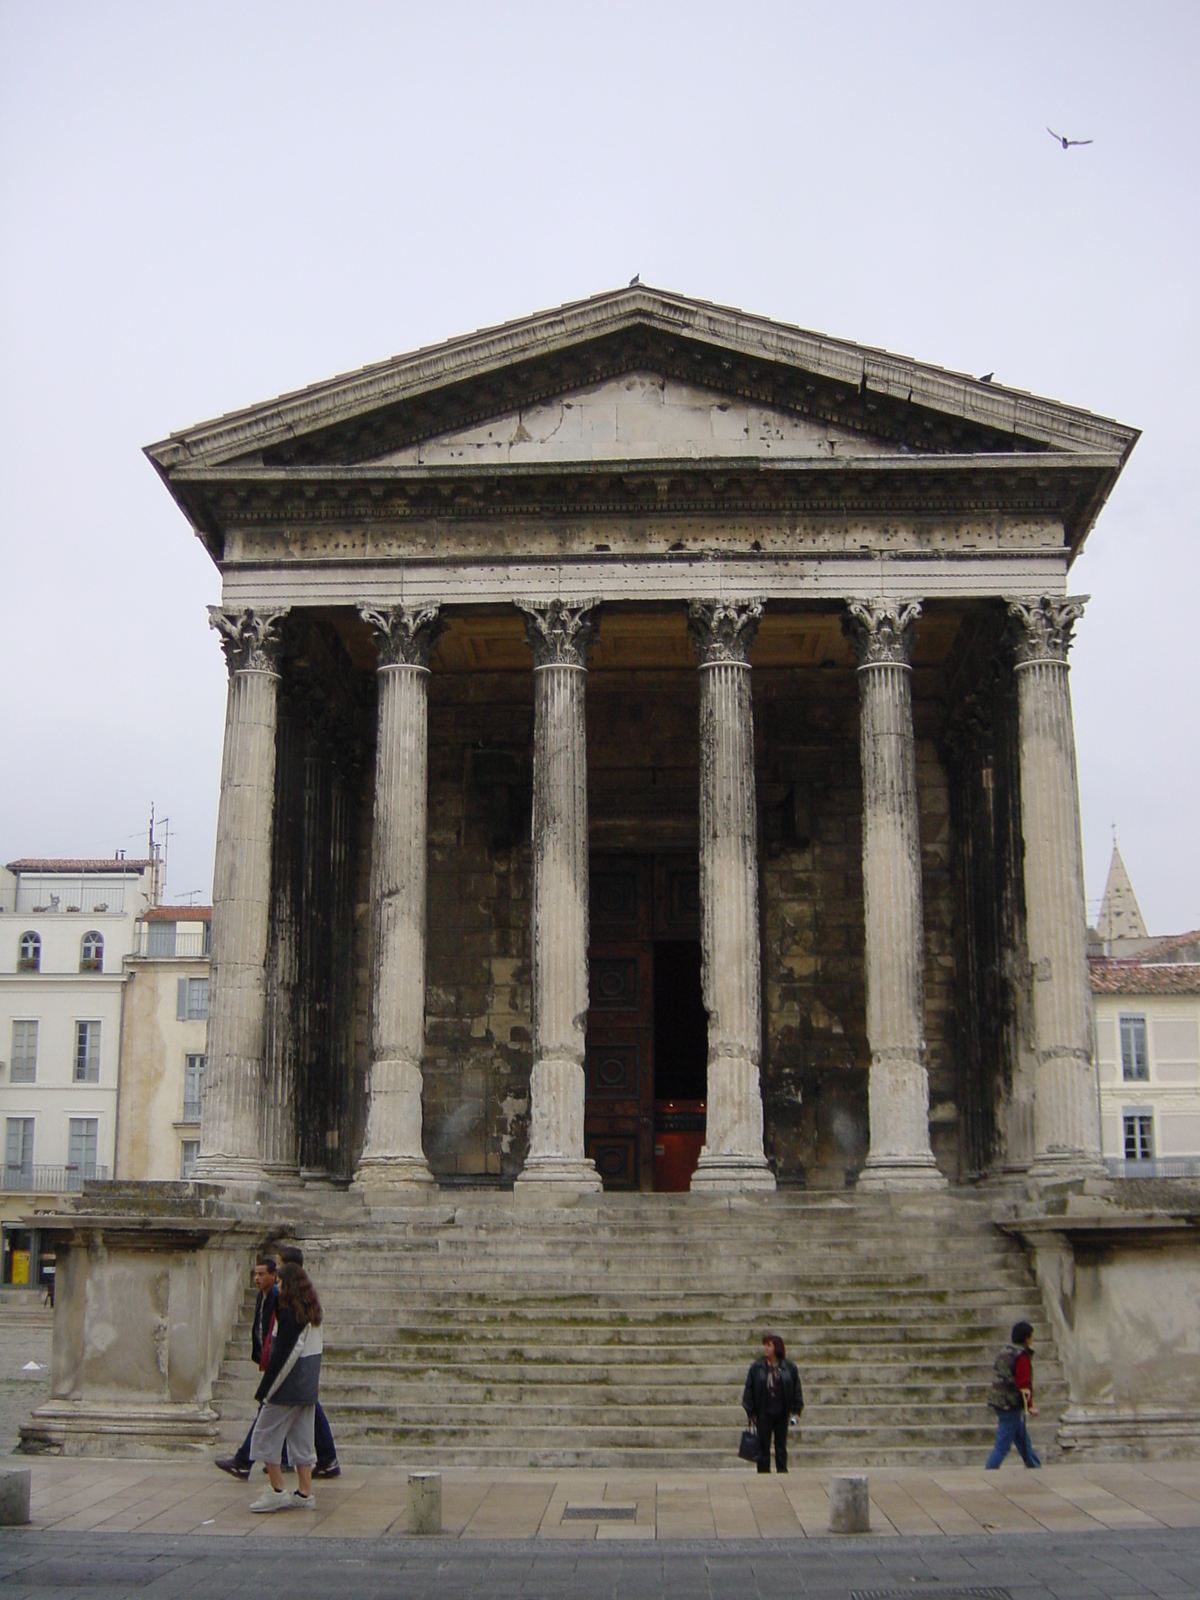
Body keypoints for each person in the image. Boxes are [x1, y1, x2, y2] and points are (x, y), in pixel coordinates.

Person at [248, 1260, 325, 1512]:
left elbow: (284, 1355)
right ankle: (305, 1492)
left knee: (264, 1435)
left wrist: (266, 1390)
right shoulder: (311, 1311)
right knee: (302, 1439)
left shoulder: (290, 1315)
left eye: (280, 1283)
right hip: (307, 1386)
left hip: (288, 1385)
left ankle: (277, 1489)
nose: (277, 1288)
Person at [277, 1245, 340, 1477]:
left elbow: (293, 1341)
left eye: (280, 1264)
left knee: (276, 1412)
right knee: (300, 1408)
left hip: (297, 1366)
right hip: (305, 1364)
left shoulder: (296, 1301)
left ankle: (259, 1459)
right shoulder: (303, 1296)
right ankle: (289, 1459)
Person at [215, 1254, 280, 1481]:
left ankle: (243, 1461)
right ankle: (322, 1458)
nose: (257, 1278)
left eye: (262, 1274)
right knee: (301, 1412)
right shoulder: (263, 1297)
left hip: (280, 1365)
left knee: (267, 1411)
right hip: (274, 1362)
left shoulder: (276, 1297)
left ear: (274, 1275)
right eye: (255, 1273)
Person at [742, 1333, 803, 1474]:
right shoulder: (757, 1367)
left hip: (781, 1412)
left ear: (777, 1347)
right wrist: (750, 1412)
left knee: (781, 1445)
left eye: (769, 1345)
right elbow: (749, 1390)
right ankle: (763, 1472)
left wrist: (797, 1410)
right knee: (763, 1446)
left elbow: (796, 1389)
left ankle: (782, 1470)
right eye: (765, 1345)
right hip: (763, 1412)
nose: (766, 1349)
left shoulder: (789, 1367)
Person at [986, 1319, 1041, 1469]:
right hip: (1010, 1404)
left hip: (999, 1400)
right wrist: (1029, 1406)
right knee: (1003, 1445)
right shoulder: (1021, 1356)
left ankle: (1034, 1465)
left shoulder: (1005, 1352)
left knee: (1022, 1439)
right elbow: (1024, 1385)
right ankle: (988, 1471)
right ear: (1026, 1338)